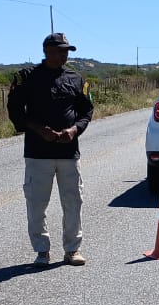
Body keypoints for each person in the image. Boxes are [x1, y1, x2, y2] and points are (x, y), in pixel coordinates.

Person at [7, 32, 94, 266]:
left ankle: (72, 250)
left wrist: (74, 130)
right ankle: (42, 251)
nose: (64, 55)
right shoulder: (27, 77)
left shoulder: (76, 79)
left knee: (73, 202)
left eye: (67, 51)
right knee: (37, 203)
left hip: (68, 152)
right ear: (47, 51)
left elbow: (87, 111)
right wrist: (38, 129)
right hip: (38, 152)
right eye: (60, 50)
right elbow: (15, 110)